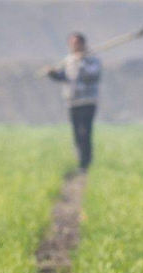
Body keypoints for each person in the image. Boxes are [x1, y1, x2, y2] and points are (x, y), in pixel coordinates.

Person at [39, 33, 102, 174]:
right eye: (72, 44)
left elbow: (92, 76)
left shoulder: (92, 60)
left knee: (85, 132)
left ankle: (86, 162)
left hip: (88, 101)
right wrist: (52, 73)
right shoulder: (69, 60)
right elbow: (65, 77)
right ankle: (80, 159)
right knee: (76, 133)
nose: (74, 46)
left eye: (77, 43)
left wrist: (82, 62)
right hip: (72, 102)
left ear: (83, 44)